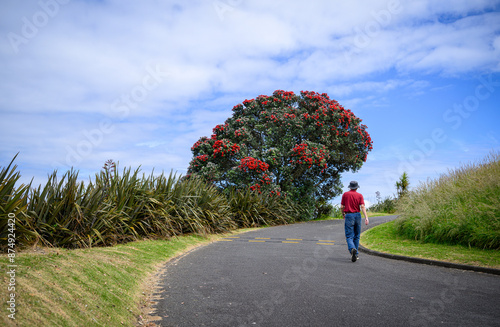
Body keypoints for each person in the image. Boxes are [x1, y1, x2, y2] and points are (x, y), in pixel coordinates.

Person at [341, 181, 369, 262]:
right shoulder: (360, 195)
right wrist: (366, 217)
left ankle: (352, 249)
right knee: (357, 235)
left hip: (349, 215)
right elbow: (362, 206)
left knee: (349, 236)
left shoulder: (345, 194)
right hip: (357, 215)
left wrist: (343, 214)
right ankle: (355, 254)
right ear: (357, 187)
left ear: (349, 187)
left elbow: (342, 206)